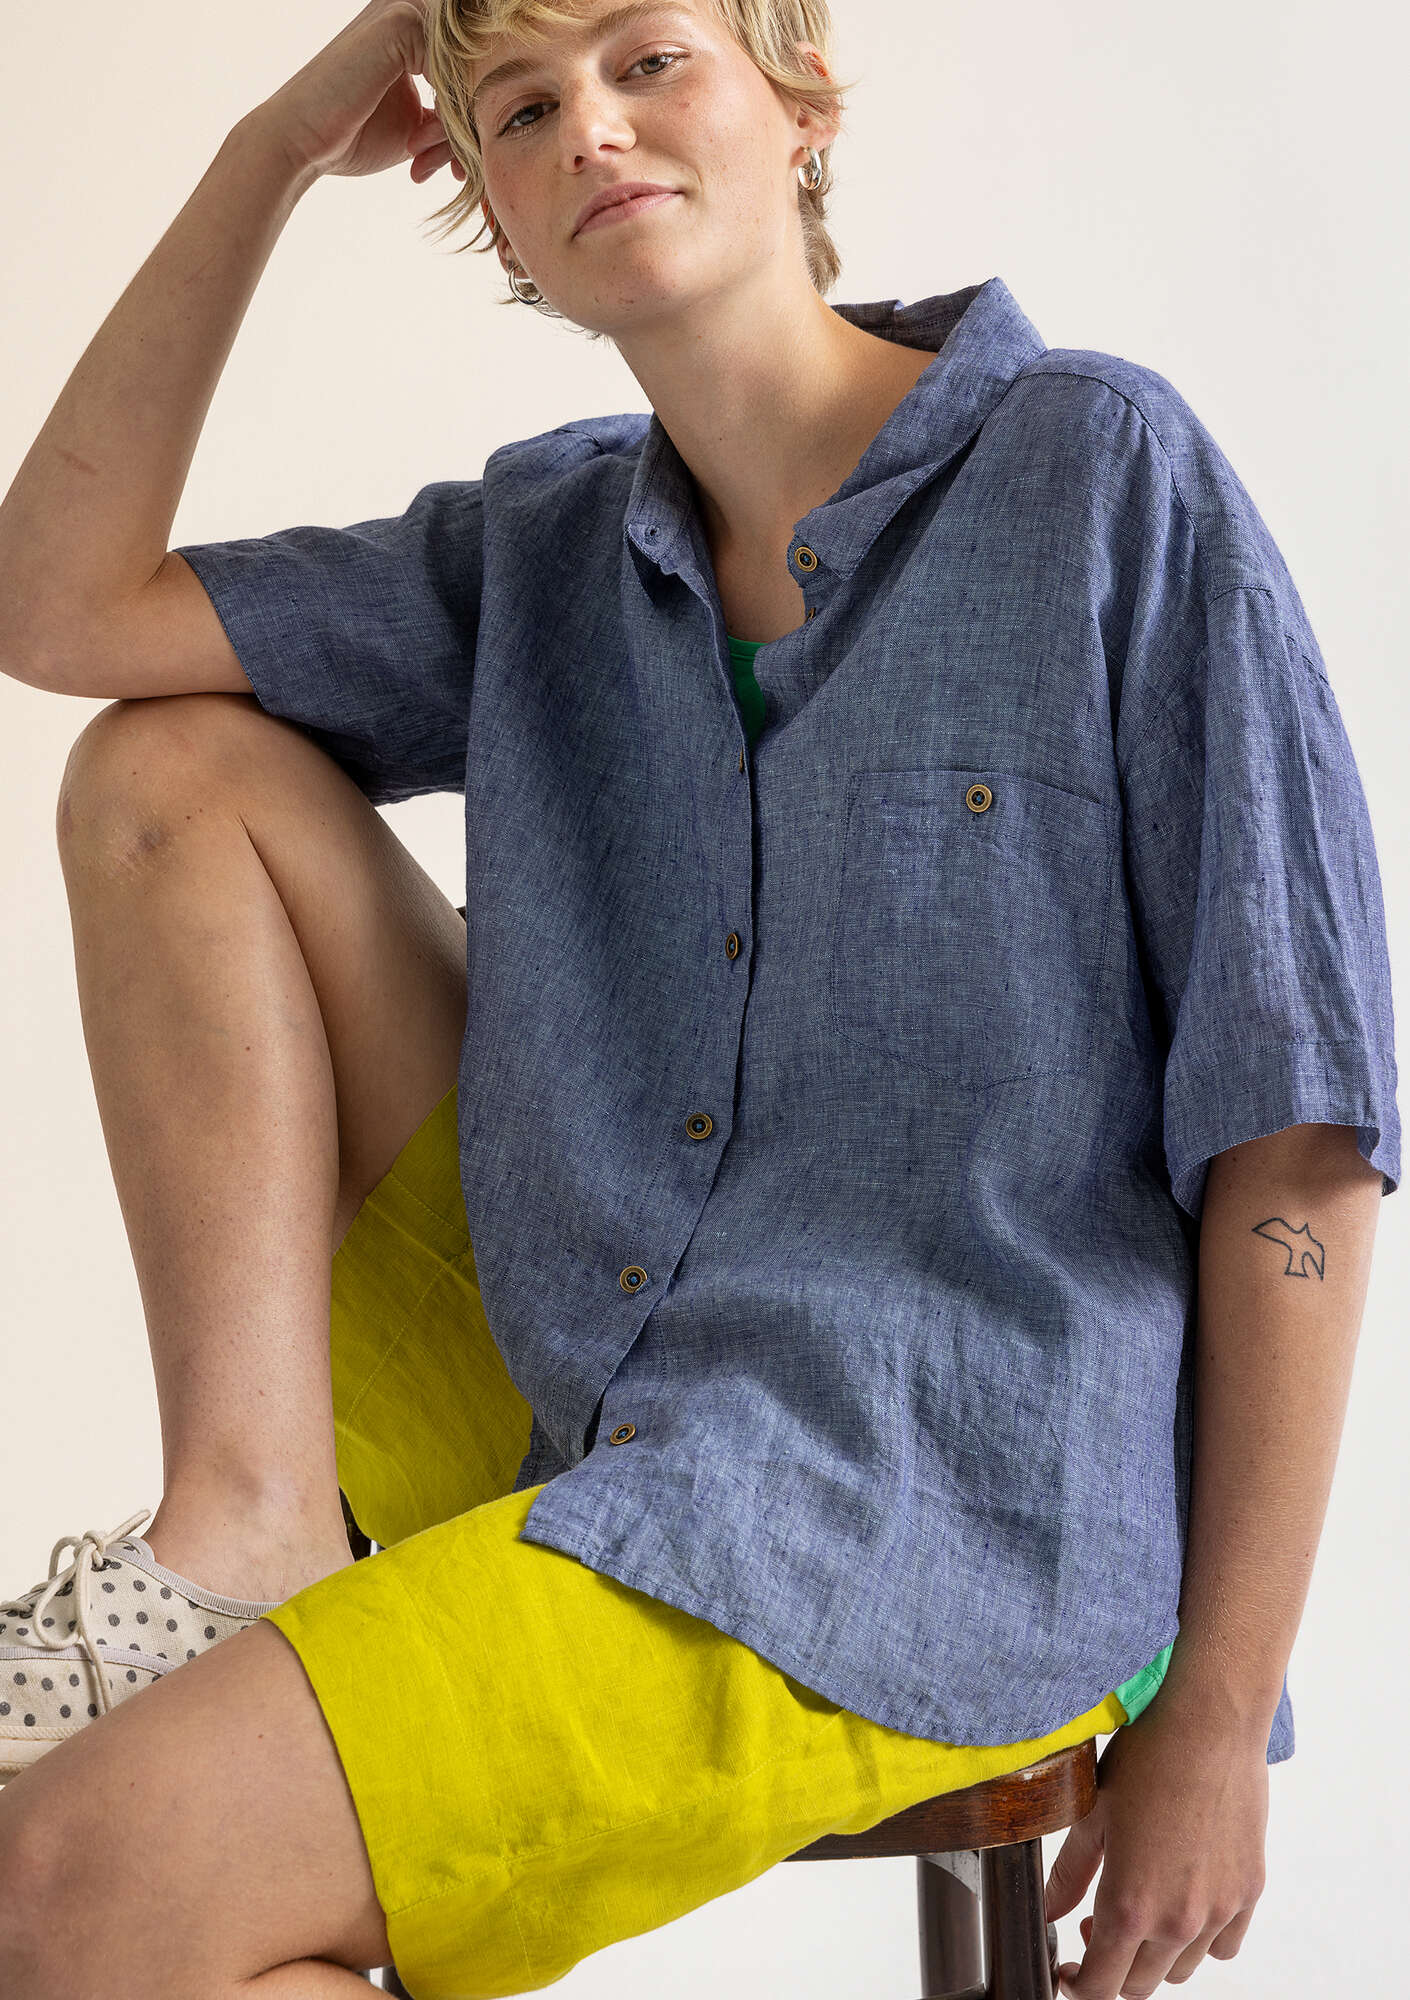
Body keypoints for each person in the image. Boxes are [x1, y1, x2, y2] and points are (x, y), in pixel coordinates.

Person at [0, 1, 1398, 1996]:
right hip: (589, 1360)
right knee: (166, 765)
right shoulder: (545, 548)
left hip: (924, 1501)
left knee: (67, 1889)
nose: (589, 126)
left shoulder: (1098, 472)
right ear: (492, 212)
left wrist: (1222, 1713)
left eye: (649, 58)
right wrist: (274, 150)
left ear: (799, 103)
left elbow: (1299, 1137)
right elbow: (57, 606)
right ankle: (249, 1526)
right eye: (519, 108)